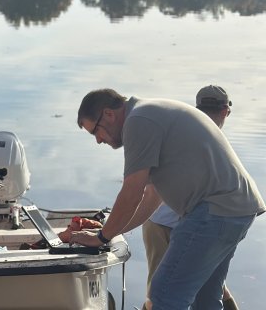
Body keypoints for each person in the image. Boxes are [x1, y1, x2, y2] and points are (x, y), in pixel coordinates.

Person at [71, 88, 264, 310]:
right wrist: (113, 232)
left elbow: (131, 191)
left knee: (164, 295)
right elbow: (151, 198)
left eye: (95, 131)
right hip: (236, 210)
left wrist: (101, 237)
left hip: (213, 212)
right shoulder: (151, 112)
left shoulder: (138, 121)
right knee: (206, 299)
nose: (97, 140)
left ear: (108, 114)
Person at [140, 85, 237, 310]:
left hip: (169, 223)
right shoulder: (219, 144)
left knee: (167, 290)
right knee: (166, 292)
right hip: (172, 225)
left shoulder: (186, 132)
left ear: (197, 108)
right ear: (226, 111)